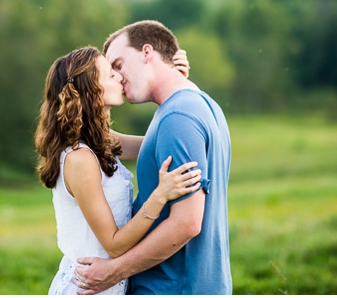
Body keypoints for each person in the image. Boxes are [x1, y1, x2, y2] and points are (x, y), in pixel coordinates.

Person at [73, 20, 232, 295]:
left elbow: (187, 223)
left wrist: (114, 271)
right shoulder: (200, 104)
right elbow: (112, 142)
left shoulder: (177, 118)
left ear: (147, 53)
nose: (118, 77)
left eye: (119, 65)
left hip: (172, 287)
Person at [36, 46, 201, 295]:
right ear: (91, 91)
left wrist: (176, 83)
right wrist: (159, 197)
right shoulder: (80, 158)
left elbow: (157, 142)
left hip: (108, 284)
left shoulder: (100, 140)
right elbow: (113, 245)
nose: (120, 77)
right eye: (110, 75)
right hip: (88, 287)